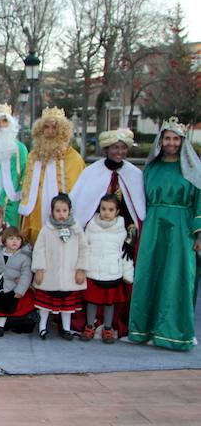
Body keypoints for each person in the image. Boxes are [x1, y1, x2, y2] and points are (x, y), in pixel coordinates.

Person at [129, 117, 201, 351]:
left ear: (182, 141)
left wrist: (199, 234)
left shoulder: (192, 169)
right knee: (151, 274)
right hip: (153, 226)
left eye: (176, 139)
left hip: (181, 227)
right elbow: (140, 199)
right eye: (167, 138)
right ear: (161, 141)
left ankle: (176, 333)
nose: (171, 143)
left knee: (177, 277)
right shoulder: (152, 168)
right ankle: (146, 329)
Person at [70, 128, 145, 338]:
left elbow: (136, 211)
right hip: (95, 237)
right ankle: (90, 322)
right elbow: (83, 205)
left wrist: (131, 239)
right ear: (106, 149)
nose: (118, 151)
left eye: (122, 147)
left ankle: (113, 323)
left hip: (123, 238)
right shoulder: (92, 172)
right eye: (114, 147)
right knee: (93, 282)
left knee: (120, 282)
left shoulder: (134, 174)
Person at [18, 107, 85, 243]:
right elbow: (27, 185)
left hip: (62, 215)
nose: (49, 132)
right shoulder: (33, 156)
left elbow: (79, 191)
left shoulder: (74, 159)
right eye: (46, 127)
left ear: (62, 131)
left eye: (54, 128)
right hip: (35, 214)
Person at [32, 193, 88, 341]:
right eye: (58, 211)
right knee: (45, 304)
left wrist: (81, 269)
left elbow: (84, 249)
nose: (61, 214)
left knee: (67, 306)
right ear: (52, 212)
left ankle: (66, 328)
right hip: (49, 274)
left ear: (69, 211)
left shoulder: (76, 229)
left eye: (64, 210)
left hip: (70, 274)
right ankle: (43, 327)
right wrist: (39, 269)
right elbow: (39, 250)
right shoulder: (46, 230)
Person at [81, 194, 134, 344]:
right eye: (103, 208)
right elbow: (84, 248)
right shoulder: (91, 226)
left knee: (109, 303)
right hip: (93, 271)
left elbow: (125, 255)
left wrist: (128, 274)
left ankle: (108, 328)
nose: (106, 212)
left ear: (117, 211)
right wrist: (82, 269)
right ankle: (90, 326)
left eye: (111, 209)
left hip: (112, 273)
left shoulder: (121, 229)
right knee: (91, 301)